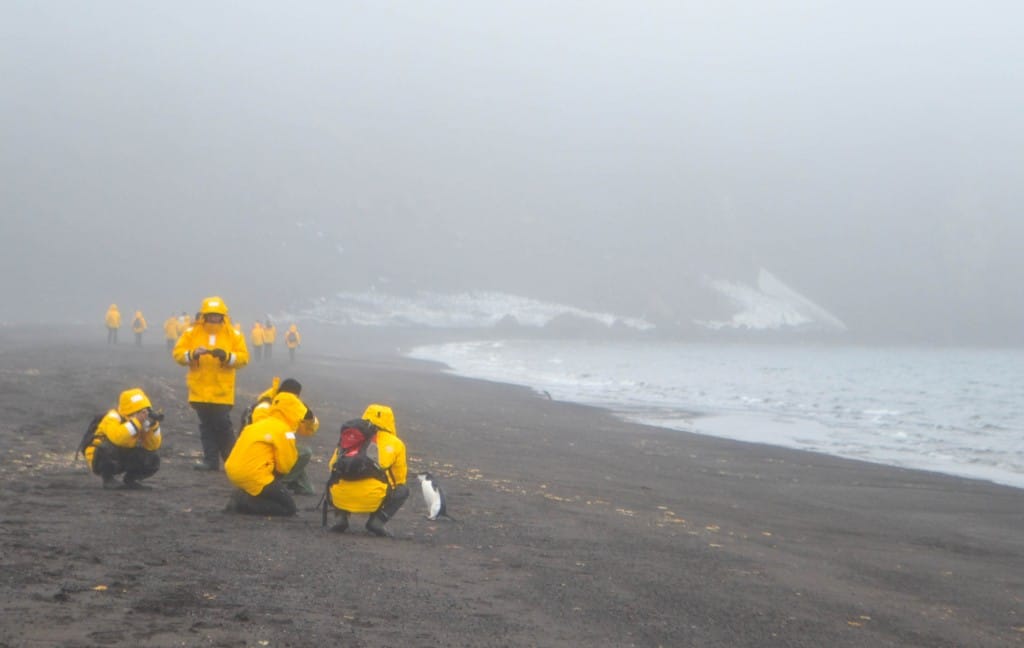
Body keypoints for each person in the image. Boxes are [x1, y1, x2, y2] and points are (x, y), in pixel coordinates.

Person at [172, 296, 249, 471]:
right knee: (206, 426)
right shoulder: (191, 333)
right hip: (198, 388)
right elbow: (178, 354)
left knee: (222, 425)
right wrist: (192, 354)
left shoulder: (234, 334)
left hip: (222, 390)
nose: (214, 318)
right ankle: (211, 460)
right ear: (204, 315)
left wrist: (227, 356)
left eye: (217, 315)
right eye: (211, 315)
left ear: (223, 315)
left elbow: (244, 358)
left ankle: (232, 461)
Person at [223, 389, 312, 516]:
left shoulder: (260, 423)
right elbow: (285, 465)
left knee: (268, 492)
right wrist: (277, 476)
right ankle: (243, 502)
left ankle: (244, 494)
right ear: (294, 413)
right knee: (288, 509)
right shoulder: (284, 431)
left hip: (233, 470)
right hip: (254, 475)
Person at [326, 403, 409, 537]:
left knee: (336, 477)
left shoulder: (350, 437)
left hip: (340, 497)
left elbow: (332, 466)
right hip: (373, 499)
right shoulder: (396, 443)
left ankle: (340, 518)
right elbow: (400, 479)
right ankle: (377, 521)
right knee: (402, 490)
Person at [83, 388, 162, 490]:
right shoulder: (113, 417)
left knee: (152, 458)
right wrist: (136, 422)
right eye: (141, 411)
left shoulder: (141, 422)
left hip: (120, 456)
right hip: (99, 459)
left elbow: (153, 446)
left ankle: (131, 480)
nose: (145, 414)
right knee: (106, 448)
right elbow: (117, 438)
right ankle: (108, 479)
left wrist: (153, 427)